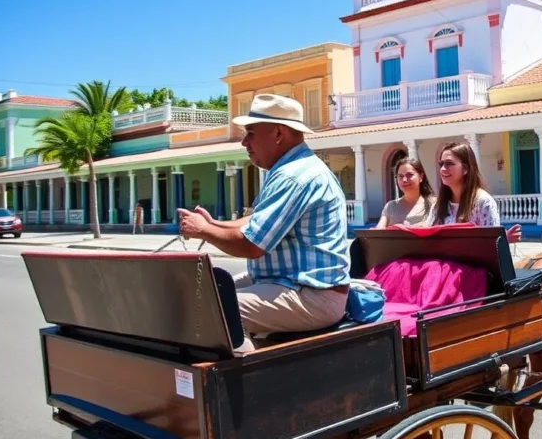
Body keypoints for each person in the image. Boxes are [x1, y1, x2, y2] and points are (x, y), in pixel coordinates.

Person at [177, 93, 351, 351]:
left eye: (251, 133)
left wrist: (204, 231)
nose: (244, 142)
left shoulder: (294, 176)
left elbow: (251, 246)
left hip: (312, 294)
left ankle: (244, 380)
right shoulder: (289, 169)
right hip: (287, 282)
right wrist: (215, 225)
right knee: (203, 294)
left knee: (211, 313)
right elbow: (258, 221)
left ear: (278, 133)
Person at [430, 141, 521, 243]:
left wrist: (503, 240)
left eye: (449, 164)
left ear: (466, 168)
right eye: (441, 164)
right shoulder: (438, 206)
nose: (443, 169)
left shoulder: (483, 202)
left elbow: (492, 244)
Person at [375, 157, 436, 228]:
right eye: (400, 176)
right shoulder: (390, 207)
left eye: (409, 175)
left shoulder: (434, 204)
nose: (404, 180)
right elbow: (379, 231)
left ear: (421, 177)